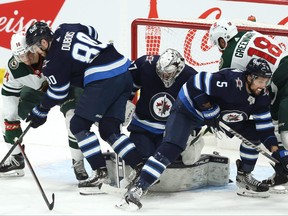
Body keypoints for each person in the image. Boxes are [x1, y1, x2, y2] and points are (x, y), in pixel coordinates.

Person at [117, 57, 288, 210]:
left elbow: (265, 128)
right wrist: (208, 109)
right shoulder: (229, 82)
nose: (263, 85)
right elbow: (195, 82)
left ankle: (244, 176)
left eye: (266, 81)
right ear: (250, 77)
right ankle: (139, 187)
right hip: (188, 109)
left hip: (222, 115)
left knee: (255, 134)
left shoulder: (262, 95)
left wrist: (277, 152)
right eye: (261, 81)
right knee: (172, 147)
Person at [24, 21, 144, 195]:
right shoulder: (66, 28)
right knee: (108, 128)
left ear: (43, 42)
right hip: (124, 71)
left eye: (35, 47)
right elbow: (92, 31)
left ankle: (100, 173)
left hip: (103, 79)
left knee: (78, 125)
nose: (36, 52)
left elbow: (58, 92)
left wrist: (40, 110)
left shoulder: (52, 63)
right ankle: (141, 168)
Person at [209, 18, 288, 186]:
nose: (219, 47)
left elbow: (227, 88)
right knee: (271, 128)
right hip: (284, 65)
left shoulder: (228, 57)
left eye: (218, 43)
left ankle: (282, 173)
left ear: (223, 39)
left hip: (277, 81)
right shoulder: (247, 33)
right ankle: (281, 171)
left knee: (271, 130)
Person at [0, 31, 88, 181]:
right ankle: (16, 157)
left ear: (34, 48)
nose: (27, 59)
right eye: (21, 56)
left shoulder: (50, 53)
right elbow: (9, 95)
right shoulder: (15, 67)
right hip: (37, 91)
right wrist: (11, 122)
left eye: (28, 53)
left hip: (67, 89)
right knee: (4, 118)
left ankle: (78, 162)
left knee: (73, 120)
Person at [121, 48, 205, 188]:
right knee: (141, 158)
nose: (164, 77)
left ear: (178, 69)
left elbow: (198, 108)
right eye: (161, 73)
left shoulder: (191, 77)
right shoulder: (146, 65)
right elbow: (126, 86)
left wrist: (193, 129)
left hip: (170, 132)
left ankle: (195, 142)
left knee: (173, 159)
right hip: (142, 126)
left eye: (169, 73)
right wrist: (123, 104)